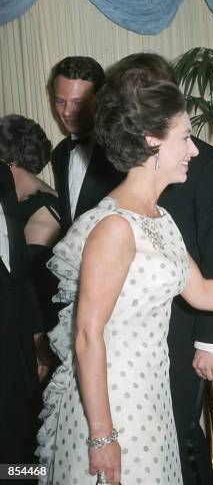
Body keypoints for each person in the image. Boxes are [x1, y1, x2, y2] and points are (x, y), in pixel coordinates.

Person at [36, 76, 213, 485]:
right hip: (114, 401)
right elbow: (88, 335)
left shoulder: (160, 217)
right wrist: (102, 435)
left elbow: (203, 292)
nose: (194, 150)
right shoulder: (114, 228)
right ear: (151, 143)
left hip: (153, 391)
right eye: (185, 137)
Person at [104, 52, 213, 485]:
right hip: (120, 339)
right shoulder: (110, 163)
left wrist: (210, 341)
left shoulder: (208, 164)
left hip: (182, 330)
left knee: (176, 437)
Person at [0, 161, 44, 468]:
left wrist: (37, 337)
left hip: (18, 343)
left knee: (23, 442)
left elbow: (19, 274)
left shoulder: (3, 173)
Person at [0, 114, 61, 333]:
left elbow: (36, 286)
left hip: (38, 332)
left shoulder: (43, 208)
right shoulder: (14, 202)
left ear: (10, 164)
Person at [49, 56, 123, 235]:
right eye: (60, 101)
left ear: (100, 99)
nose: (66, 112)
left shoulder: (121, 148)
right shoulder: (59, 153)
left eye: (78, 103)